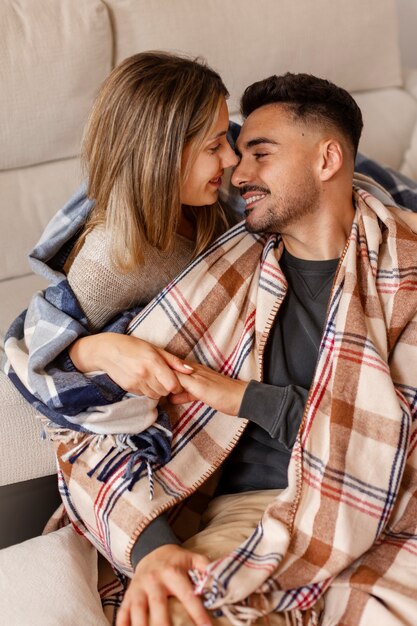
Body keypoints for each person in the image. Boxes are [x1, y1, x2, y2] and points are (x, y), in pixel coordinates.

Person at [4, 70, 417, 626]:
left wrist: (246, 397)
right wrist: (152, 546)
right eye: (227, 150)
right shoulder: (216, 267)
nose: (236, 171)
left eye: (258, 153)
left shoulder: (400, 265)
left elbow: (393, 443)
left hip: (385, 516)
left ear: (326, 162)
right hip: (246, 515)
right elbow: (79, 417)